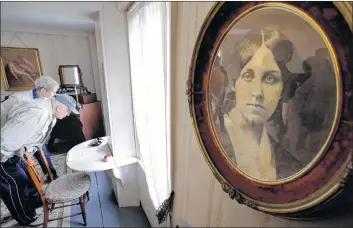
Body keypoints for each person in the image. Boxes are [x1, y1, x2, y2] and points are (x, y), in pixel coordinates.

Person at [220, 28, 309, 180]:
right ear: (236, 82)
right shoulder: (219, 142)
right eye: (248, 75)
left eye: (270, 79)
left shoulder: (285, 160)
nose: (258, 92)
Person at [0, 94, 78, 226]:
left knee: (26, 177)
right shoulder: (37, 114)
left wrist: (24, 149)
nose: (67, 115)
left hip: (12, 151)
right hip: (3, 153)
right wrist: (9, 157)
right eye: (68, 111)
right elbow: (6, 139)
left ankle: (35, 203)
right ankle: (26, 218)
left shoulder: (48, 112)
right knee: (15, 183)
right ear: (59, 108)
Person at [1, 76, 60, 181]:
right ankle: (32, 187)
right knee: (23, 163)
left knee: (44, 155)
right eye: (53, 92)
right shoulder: (18, 98)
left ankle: (52, 175)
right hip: (19, 137)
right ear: (43, 90)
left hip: (35, 136)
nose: (55, 95)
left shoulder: (45, 99)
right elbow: (2, 114)